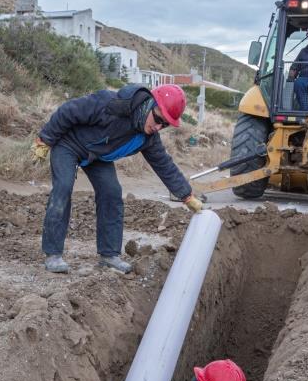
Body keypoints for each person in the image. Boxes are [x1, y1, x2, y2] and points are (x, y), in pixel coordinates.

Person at [32, 84, 203, 274]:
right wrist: (45, 139)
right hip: (68, 144)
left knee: (112, 193)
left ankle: (109, 255)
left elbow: (164, 165)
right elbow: (69, 111)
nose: (158, 127)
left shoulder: (149, 138)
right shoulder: (111, 104)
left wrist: (186, 196)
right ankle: (53, 254)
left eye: (165, 124)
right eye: (158, 119)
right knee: (63, 187)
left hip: (97, 155)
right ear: (149, 104)